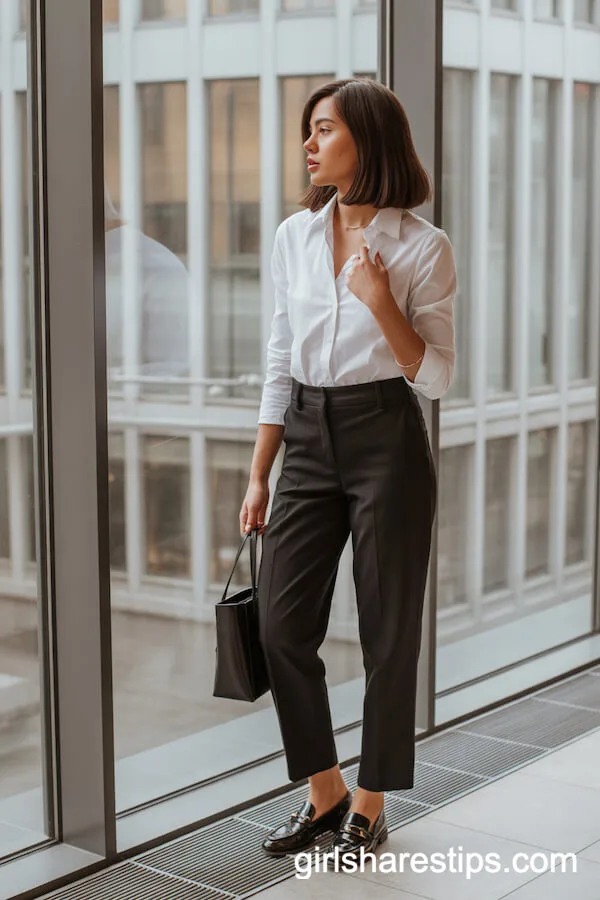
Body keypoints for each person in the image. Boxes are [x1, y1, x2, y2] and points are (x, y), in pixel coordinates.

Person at [239, 78, 456, 863]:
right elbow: (277, 357)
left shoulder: (422, 248)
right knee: (280, 626)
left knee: (387, 633)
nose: (309, 143)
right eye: (310, 131)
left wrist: (380, 301)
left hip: (386, 440)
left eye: (323, 129)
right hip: (305, 436)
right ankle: (323, 789)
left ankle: (370, 802)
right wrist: (260, 472)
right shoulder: (293, 236)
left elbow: (434, 378)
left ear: (366, 139)